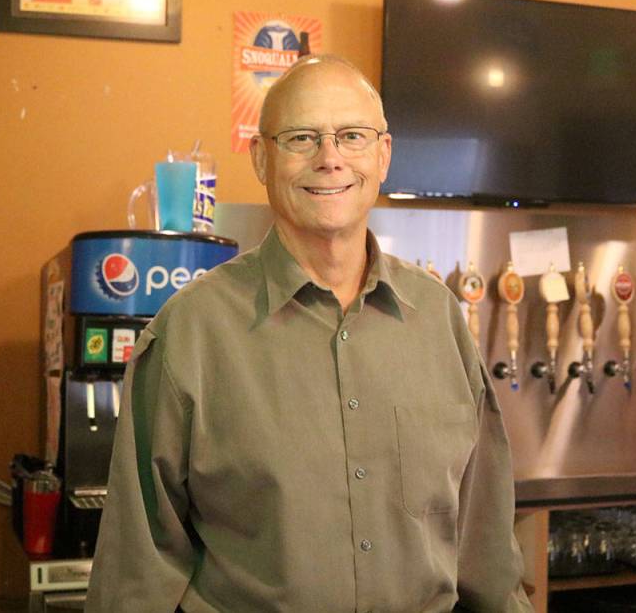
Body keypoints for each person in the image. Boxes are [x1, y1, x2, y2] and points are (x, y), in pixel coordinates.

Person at [87, 54, 532, 612]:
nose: (330, 159)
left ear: (384, 154)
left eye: (351, 136)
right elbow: (138, 573)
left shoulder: (439, 318)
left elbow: (484, 543)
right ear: (261, 158)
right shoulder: (191, 333)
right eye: (301, 138)